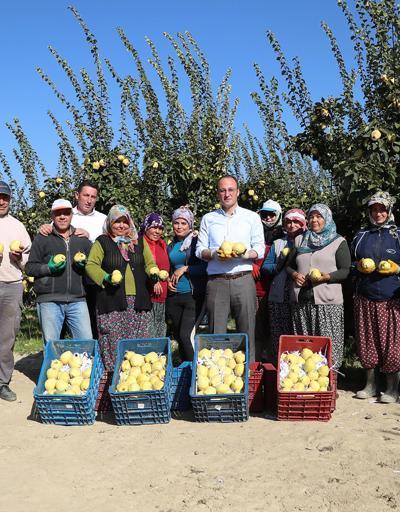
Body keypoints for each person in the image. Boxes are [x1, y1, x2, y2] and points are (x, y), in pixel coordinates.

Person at [196, 175, 265, 362]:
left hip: (243, 279)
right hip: (217, 281)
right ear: (218, 193)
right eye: (222, 190)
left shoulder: (251, 217)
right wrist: (214, 254)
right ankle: (215, 378)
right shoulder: (208, 219)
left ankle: (248, 374)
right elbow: (199, 250)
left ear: (238, 192)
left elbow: (259, 249)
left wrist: (244, 255)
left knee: (247, 329)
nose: (227, 194)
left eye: (230, 190)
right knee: (215, 332)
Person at [85, 205, 156, 371]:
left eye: (125, 221)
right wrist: (106, 278)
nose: (122, 225)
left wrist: (153, 273)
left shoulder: (139, 242)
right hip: (112, 301)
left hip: (139, 302)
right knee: (113, 345)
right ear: (110, 223)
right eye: (117, 222)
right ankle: (112, 382)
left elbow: (149, 263)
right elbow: (91, 265)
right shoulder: (102, 241)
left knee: (137, 347)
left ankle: (136, 385)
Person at [286, 203, 351, 370]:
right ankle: (307, 385)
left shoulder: (338, 242)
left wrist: (327, 277)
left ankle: (331, 382)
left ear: (327, 219)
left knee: (328, 344)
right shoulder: (300, 239)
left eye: (319, 216)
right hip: (302, 302)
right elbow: (289, 265)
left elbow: (345, 271)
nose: (314, 220)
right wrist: (294, 275)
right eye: (312, 216)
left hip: (327, 302)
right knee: (305, 346)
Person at [38, 180, 106, 337]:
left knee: (92, 324)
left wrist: (90, 238)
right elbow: (50, 234)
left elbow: (110, 245)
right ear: (77, 195)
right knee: (57, 329)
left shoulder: (103, 219)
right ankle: (59, 358)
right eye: (86, 195)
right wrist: (44, 227)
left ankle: (92, 358)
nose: (89, 200)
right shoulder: (66, 214)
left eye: (93, 196)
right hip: (67, 280)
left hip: (93, 280)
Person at [352, 191, 400, 403]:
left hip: (391, 299)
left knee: (392, 343)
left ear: (388, 210)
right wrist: (358, 266)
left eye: (382, 209)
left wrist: (397, 269)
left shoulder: (397, 234)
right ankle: (370, 384)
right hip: (365, 296)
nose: (378, 213)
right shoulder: (361, 235)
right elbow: (349, 264)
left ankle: (392, 388)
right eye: (374, 209)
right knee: (367, 341)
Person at [25, 199, 93, 344]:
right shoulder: (42, 238)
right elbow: (29, 267)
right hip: (50, 300)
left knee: (86, 344)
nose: (62, 217)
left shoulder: (82, 240)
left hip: (77, 300)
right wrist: (48, 268)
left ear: (71, 215)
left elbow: (94, 266)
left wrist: (85, 265)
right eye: (58, 213)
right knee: (52, 347)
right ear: (52, 216)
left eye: (66, 213)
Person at [262, 208, 307, 362]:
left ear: (302, 223)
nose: (292, 225)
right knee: (279, 335)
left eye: (296, 221)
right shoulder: (278, 243)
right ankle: (279, 369)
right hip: (279, 295)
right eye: (288, 222)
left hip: (302, 297)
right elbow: (266, 267)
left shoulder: (310, 242)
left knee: (300, 335)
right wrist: (279, 263)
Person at [0, 181, 31, 401]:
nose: (1, 201)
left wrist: (20, 258)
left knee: (7, 336)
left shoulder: (18, 226)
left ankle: (2, 382)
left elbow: (29, 259)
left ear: (10, 199)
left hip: (12, 285)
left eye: (5, 197)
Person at [166, 206, 207, 361]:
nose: (179, 226)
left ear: (190, 225)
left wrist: (185, 269)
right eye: (176, 222)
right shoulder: (170, 245)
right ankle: (184, 370)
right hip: (174, 296)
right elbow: (169, 267)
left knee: (186, 336)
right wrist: (169, 278)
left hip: (192, 295)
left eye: (184, 223)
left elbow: (206, 268)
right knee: (178, 336)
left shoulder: (197, 243)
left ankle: (194, 372)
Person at [253, 199, 284, 361]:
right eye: (265, 214)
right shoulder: (253, 233)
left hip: (276, 291)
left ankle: (271, 366)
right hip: (256, 289)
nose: (269, 218)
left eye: (273, 215)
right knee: (257, 329)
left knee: (274, 331)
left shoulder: (284, 236)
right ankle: (256, 365)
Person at [139, 212, 170, 338]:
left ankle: (160, 356)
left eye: (160, 228)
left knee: (160, 326)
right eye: (154, 227)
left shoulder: (162, 244)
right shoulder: (141, 244)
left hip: (162, 295)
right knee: (148, 330)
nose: (157, 231)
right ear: (146, 227)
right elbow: (144, 266)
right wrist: (154, 280)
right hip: (148, 294)